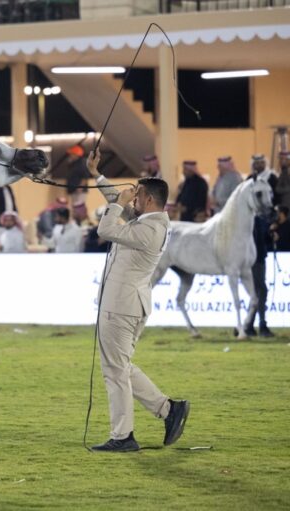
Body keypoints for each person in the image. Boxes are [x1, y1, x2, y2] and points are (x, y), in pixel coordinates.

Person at [85, 148, 189, 452]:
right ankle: (170, 409)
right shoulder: (150, 220)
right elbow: (118, 205)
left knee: (115, 371)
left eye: (138, 195)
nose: (133, 199)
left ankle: (123, 436)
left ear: (151, 200)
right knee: (121, 366)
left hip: (121, 306)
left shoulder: (151, 228)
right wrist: (97, 174)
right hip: (128, 304)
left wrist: (118, 203)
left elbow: (105, 229)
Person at [246, 154, 278, 338]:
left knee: (257, 289)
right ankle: (256, 325)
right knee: (259, 289)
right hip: (255, 252)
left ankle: (250, 324)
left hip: (257, 249)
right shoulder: (255, 218)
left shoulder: (270, 179)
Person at [65, 145, 89, 210]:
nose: (70, 155)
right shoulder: (73, 163)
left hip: (79, 191)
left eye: (72, 154)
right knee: (74, 208)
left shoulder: (82, 163)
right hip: (73, 190)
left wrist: (80, 187)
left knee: (79, 208)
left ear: (76, 154)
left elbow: (85, 176)